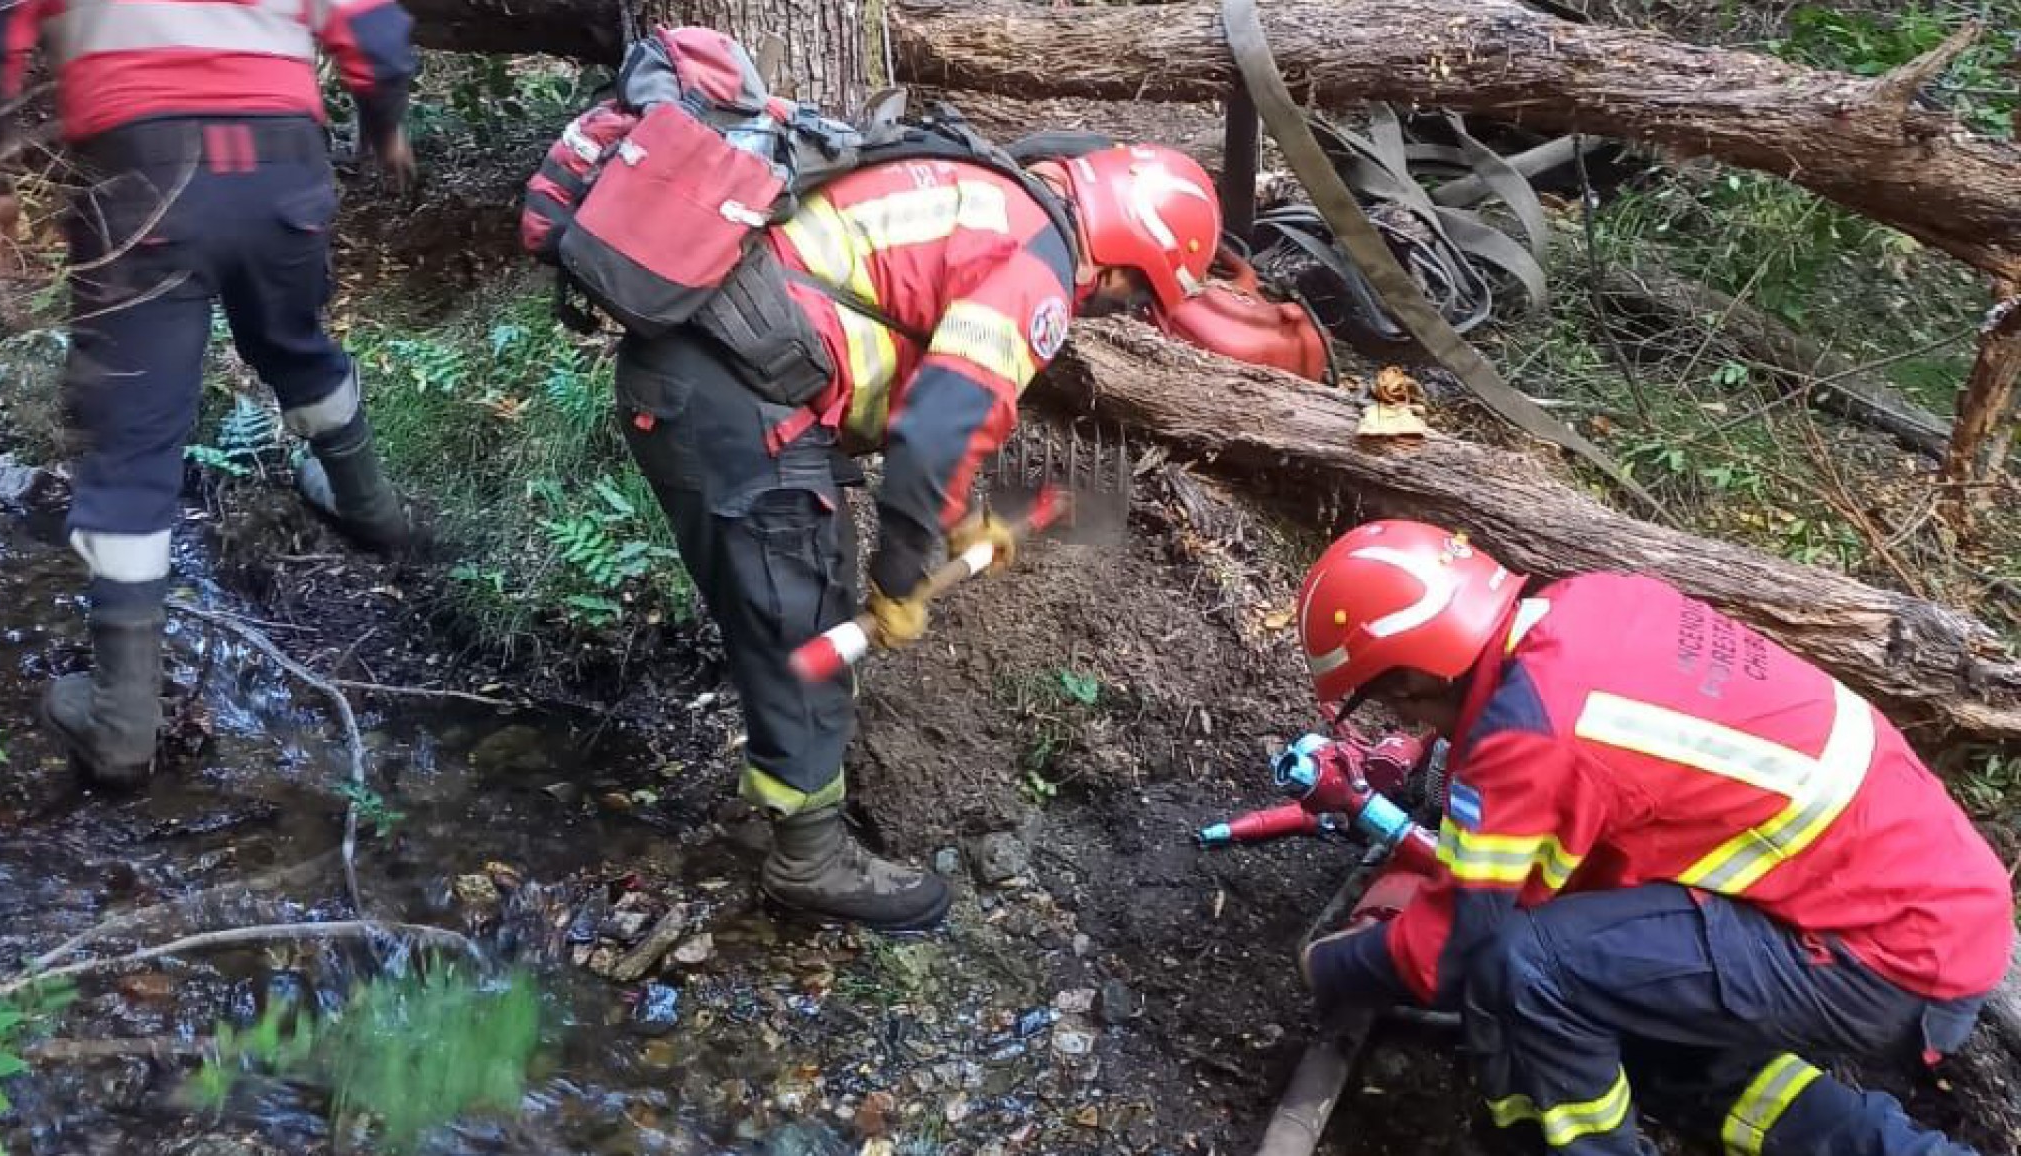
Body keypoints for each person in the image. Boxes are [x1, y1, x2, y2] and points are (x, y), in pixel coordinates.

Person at [616, 141, 1221, 932]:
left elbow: (932, 375)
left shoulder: (997, 193)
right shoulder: (1038, 270)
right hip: (738, 401)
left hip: (706, 371)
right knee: (805, 620)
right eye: (1131, 298)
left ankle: (777, 792)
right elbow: (933, 433)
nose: (1113, 309)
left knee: (775, 601)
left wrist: (961, 516)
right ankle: (808, 857)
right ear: (1121, 268)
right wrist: (900, 580)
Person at [1290, 519, 2014, 1155]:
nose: (1413, 723)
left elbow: (1453, 950)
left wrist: (1332, 966)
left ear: (1415, 678)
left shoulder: (1532, 732)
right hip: (1926, 915)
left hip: (1878, 959)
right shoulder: (1594, 605)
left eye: (1388, 699)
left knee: (1534, 968)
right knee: (1648, 1038)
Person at [0, 0, 420, 786]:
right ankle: (370, 508)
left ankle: (122, 723)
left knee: (135, 440)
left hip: (144, 177)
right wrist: (386, 132)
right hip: (284, 174)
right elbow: (377, 35)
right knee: (294, 346)